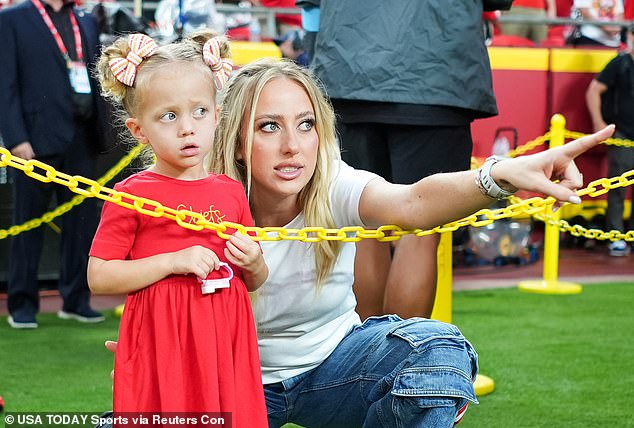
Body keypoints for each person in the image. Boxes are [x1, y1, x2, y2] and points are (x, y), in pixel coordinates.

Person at [101, 58, 613, 428]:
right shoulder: (193, 195)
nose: (292, 146)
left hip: (331, 367)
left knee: (440, 352)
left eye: (306, 125)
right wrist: (160, 351)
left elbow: (412, 202)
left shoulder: (333, 180)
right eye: (268, 127)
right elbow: (127, 277)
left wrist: (499, 175)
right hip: (231, 376)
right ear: (235, 136)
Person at [88, 32, 268, 425]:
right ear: (140, 131)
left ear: (217, 116)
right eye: (169, 116)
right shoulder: (132, 193)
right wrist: (172, 261)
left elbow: (254, 279)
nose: (188, 128)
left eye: (199, 111)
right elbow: (100, 277)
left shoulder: (232, 191)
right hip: (162, 342)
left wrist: (254, 261)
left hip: (224, 342)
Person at [310, 0, 501, 320]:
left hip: (347, 69)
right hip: (435, 73)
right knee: (420, 234)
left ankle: (364, 357)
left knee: (362, 225)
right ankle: (401, 363)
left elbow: (309, 8)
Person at [0, 0, 110, 328]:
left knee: (82, 226)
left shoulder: (84, 20)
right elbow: (4, 85)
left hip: (81, 137)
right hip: (33, 141)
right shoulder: (12, 19)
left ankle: (76, 300)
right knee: (28, 224)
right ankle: (21, 304)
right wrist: (16, 138)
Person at [586, 25, 634, 256]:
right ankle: (616, 235)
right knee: (617, 187)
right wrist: (598, 122)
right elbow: (594, 90)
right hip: (623, 134)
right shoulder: (620, 64)